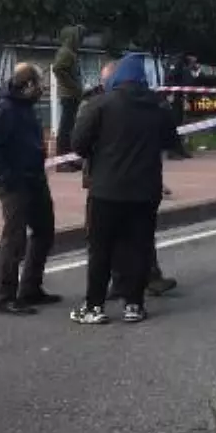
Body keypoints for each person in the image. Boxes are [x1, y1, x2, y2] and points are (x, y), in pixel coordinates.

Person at [71, 53, 179, 324]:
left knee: (101, 248)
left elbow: (78, 144)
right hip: (146, 190)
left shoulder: (100, 104)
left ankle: (94, 306)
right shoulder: (158, 107)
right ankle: (134, 304)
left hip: (106, 190)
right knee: (139, 246)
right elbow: (171, 141)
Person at [0, 63, 62, 315]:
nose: (42, 89)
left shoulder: (26, 108)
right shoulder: (4, 109)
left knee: (44, 230)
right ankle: (5, 296)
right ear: (27, 85)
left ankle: (30, 288)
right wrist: (4, 180)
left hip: (34, 179)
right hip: (15, 183)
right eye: (39, 84)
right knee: (14, 237)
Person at [52, 25, 86, 173]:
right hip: (68, 94)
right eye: (78, 37)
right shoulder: (65, 52)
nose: (80, 40)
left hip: (73, 94)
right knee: (65, 129)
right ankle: (61, 162)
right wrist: (72, 85)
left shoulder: (71, 53)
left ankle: (69, 160)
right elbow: (58, 68)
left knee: (70, 128)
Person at [164, 54, 195, 160]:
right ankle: (171, 151)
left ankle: (180, 149)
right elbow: (170, 79)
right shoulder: (176, 62)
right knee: (174, 124)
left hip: (181, 98)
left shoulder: (184, 66)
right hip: (174, 98)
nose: (195, 60)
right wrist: (170, 94)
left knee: (181, 124)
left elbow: (186, 82)